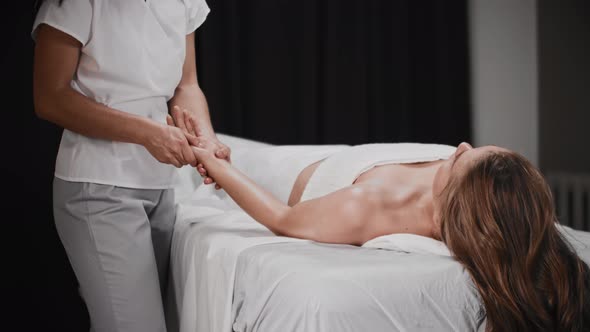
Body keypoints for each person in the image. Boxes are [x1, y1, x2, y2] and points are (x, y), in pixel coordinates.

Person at [189, 136, 590, 332]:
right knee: (220, 148)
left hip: (297, 168)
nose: (461, 144)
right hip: (343, 156)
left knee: (224, 151)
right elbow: (281, 219)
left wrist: (218, 167)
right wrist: (220, 166)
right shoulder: (487, 205)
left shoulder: (368, 205)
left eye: (462, 157)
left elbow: (282, 217)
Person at [32, 0, 229, 331]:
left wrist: (207, 140)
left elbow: (186, 85)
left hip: (163, 187)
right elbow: (50, 97)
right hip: (97, 187)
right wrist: (146, 133)